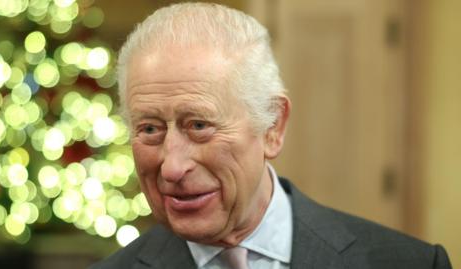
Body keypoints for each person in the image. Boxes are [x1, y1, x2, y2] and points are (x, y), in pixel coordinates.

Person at [91, 3, 452, 269]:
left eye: (198, 126)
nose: (172, 167)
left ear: (273, 127)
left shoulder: (408, 263)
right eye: (150, 129)